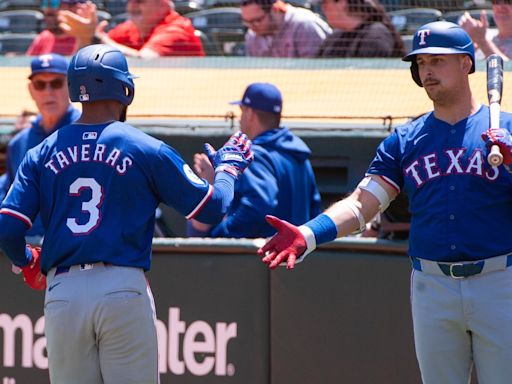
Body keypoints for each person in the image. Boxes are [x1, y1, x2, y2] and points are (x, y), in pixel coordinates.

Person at [257, 21, 512, 384]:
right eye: (421, 63)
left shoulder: (505, 130)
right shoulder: (406, 140)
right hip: (432, 285)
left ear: (466, 64)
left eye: (437, 60)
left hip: (499, 280)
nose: (426, 71)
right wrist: (309, 234)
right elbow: (364, 205)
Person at [0, 44, 253, 384]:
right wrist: (228, 171)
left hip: (62, 292)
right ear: (125, 90)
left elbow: (7, 228)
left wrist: (27, 260)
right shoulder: (144, 147)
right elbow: (212, 206)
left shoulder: (40, 152)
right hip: (121, 286)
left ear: (75, 89)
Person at [188, 82, 321, 238]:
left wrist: (222, 235)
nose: (240, 119)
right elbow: (314, 210)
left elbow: (261, 203)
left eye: (242, 111)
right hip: (296, 256)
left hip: (260, 258)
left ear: (250, 114)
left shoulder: (253, 155)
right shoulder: (298, 154)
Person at [0, 53, 80, 237]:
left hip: (77, 250)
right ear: (31, 90)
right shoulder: (19, 143)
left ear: (70, 86)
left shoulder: (88, 132)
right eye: (40, 84)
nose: (48, 92)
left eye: (57, 83)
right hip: (29, 253)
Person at [58, 0, 204, 58]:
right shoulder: (129, 29)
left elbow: (146, 62)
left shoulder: (176, 30)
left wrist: (96, 37)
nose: (132, 6)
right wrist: (82, 36)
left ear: (163, 5)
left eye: (140, 1)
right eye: (129, 1)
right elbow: (94, 57)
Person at [241, 0, 331, 57]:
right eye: (247, 21)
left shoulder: (304, 25)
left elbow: (315, 70)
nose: (252, 26)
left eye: (257, 20)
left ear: (275, 10)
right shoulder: (253, 36)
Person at [317, 0, 405, 57]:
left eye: (325, 3)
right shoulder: (334, 38)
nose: (323, 8)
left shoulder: (375, 36)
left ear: (342, 3)